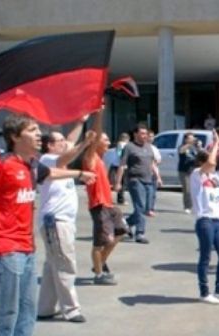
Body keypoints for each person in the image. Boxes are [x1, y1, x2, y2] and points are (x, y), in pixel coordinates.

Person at [0, 114, 95, 336]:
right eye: (32, 131)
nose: (39, 135)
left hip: (27, 246)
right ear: (15, 137)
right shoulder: (0, 165)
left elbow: (53, 173)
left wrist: (80, 175)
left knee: (25, 312)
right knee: (3, 314)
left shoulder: (30, 165)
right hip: (4, 246)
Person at [36, 118, 92, 323]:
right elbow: (68, 153)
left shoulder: (57, 158)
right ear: (50, 145)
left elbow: (69, 141)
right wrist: (84, 144)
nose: (64, 143)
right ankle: (71, 309)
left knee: (53, 264)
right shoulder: (48, 160)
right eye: (59, 141)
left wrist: (80, 121)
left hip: (60, 221)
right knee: (65, 264)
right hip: (56, 221)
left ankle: (45, 308)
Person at [190, 130, 219, 304]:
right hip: (204, 220)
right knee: (205, 256)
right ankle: (204, 292)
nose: (215, 164)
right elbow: (211, 160)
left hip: (217, 220)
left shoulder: (215, 177)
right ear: (202, 163)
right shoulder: (197, 174)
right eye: (211, 162)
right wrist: (216, 142)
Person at [82, 112, 128, 286]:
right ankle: (99, 275)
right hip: (99, 205)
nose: (109, 143)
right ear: (96, 142)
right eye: (106, 140)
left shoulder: (100, 160)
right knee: (100, 242)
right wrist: (100, 114)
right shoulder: (90, 158)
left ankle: (99, 264)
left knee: (121, 232)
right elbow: (96, 134)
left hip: (109, 204)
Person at [114, 124, 155, 244]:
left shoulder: (149, 147)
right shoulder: (129, 147)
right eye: (142, 134)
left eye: (146, 134)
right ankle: (140, 233)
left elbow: (152, 163)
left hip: (149, 180)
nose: (144, 136)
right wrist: (117, 183)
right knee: (140, 207)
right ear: (135, 134)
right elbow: (122, 165)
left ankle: (125, 223)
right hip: (135, 180)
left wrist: (157, 176)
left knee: (146, 209)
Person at [178, 133, 200, 214]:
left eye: (193, 138)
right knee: (187, 190)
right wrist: (189, 144)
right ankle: (187, 206)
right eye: (190, 138)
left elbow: (200, 155)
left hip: (193, 170)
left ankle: (194, 206)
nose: (192, 140)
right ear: (186, 139)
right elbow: (181, 151)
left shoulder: (194, 147)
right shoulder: (182, 146)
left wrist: (198, 146)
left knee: (195, 189)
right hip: (184, 171)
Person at [145, 130, 162, 217]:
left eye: (152, 136)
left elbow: (158, 161)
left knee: (153, 192)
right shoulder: (144, 147)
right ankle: (148, 209)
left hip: (154, 172)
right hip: (146, 173)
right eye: (150, 136)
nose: (151, 138)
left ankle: (150, 207)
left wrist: (158, 176)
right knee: (149, 192)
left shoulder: (154, 148)